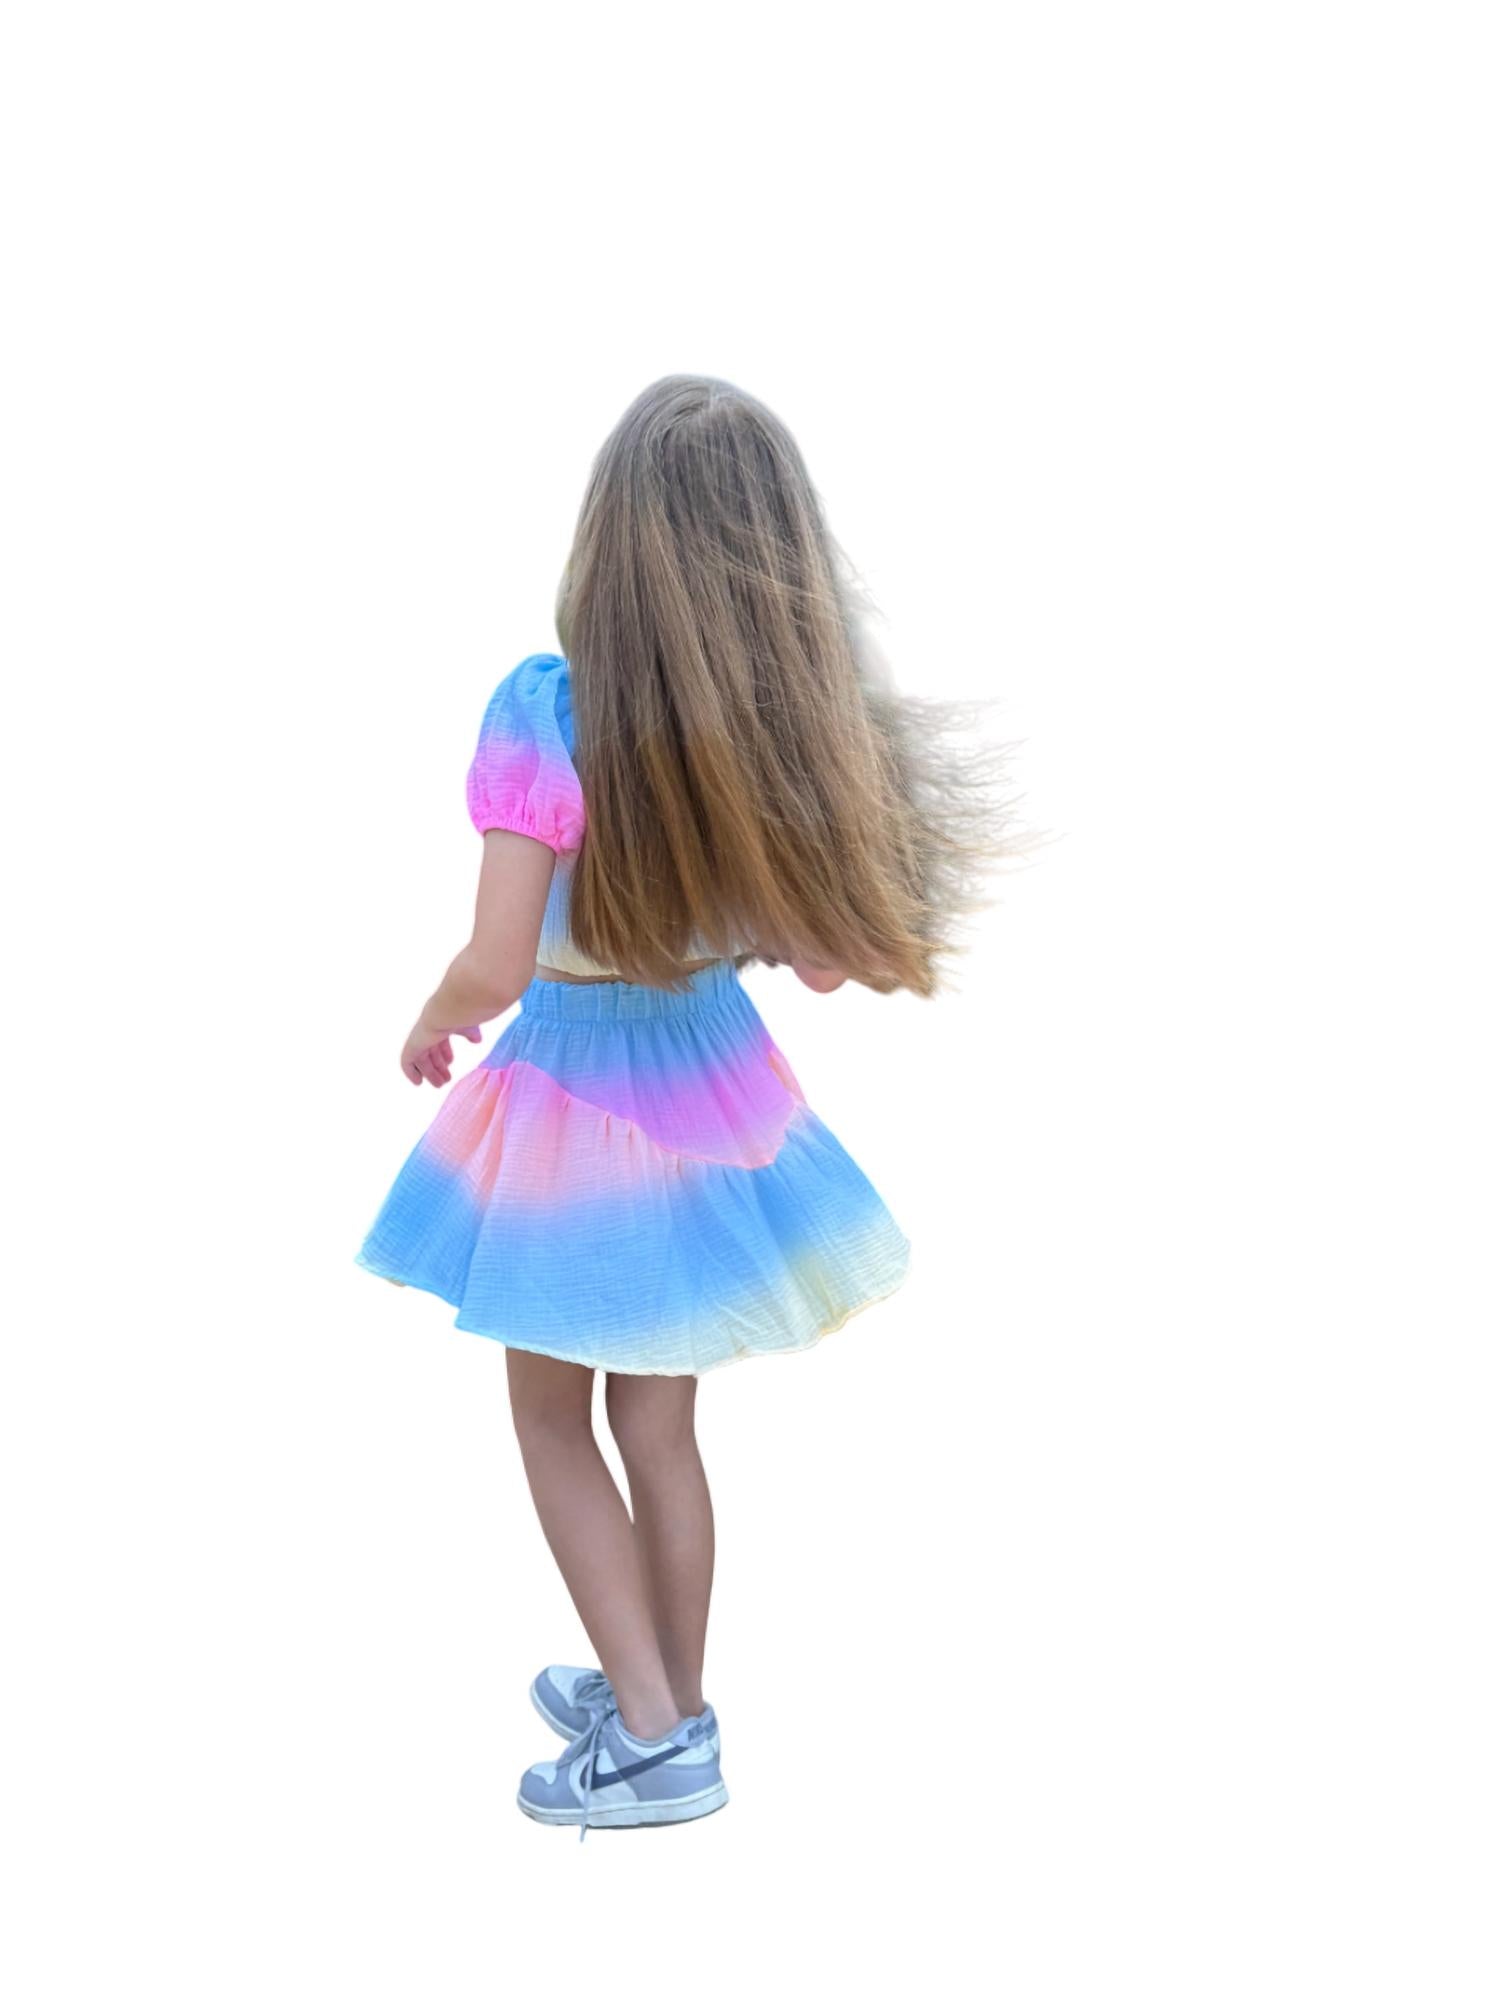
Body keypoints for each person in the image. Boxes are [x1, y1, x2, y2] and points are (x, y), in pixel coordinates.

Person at [355, 374, 1023, 1838]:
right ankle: (671, 1698)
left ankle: (653, 1739)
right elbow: (829, 961)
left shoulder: (549, 711)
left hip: (575, 1095)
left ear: (612, 544)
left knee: (549, 1420)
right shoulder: (782, 740)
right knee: (660, 1428)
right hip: (707, 1096)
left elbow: (496, 958)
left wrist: (432, 1017)